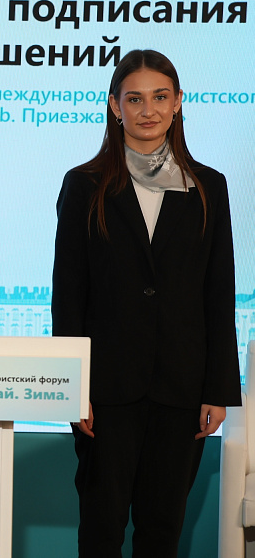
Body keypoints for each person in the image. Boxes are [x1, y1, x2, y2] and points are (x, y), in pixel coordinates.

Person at [51, 49, 240, 557]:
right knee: (101, 530)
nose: (148, 110)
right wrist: (72, 388)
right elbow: (68, 295)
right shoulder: (84, 185)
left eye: (160, 97)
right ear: (116, 106)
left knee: (162, 532)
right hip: (105, 391)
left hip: (182, 389)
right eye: (134, 99)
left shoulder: (209, 186)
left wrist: (218, 389)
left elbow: (218, 292)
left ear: (178, 102)